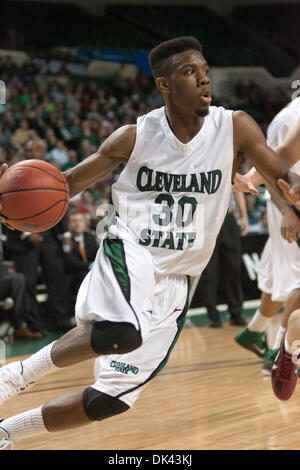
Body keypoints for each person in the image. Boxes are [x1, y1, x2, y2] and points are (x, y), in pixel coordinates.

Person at [0, 36, 298, 450]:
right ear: (164, 84)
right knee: (122, 331)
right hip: (132, 249)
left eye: (205, 71)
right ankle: (14, 377)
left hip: (181, 276)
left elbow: (280, 171)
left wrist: (289, 204)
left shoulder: (234, 126)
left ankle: (6, 433)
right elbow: (64, 187)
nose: (203, 80)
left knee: (111, 400)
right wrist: (11, 197)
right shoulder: (134, 137)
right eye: (189, 73)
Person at [235, 96, 300, 372]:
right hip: (290, 202)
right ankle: (282, 351)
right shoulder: (287, 118)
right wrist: (251, 179)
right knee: (296, 278)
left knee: (278, 276)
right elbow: (280, 157)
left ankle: (258, 332)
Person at [196, 192, 249, 327]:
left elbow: (238, 190)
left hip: (228, 217)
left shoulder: (231, 170)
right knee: (209, 271)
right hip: (206, 218)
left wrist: (244, 216)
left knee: (234, 267)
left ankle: (236, 313)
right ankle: (213, 315)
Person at [64, 211, 99, 314]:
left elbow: (97, 254)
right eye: (74, 221)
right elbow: (70, 261)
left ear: (85, 223)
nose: (78, 224)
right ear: (69, 225)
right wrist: (89, 265)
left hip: (92, 272)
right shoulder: (66, 240)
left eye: (80, 221)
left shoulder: (90, 237)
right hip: (74, 274)